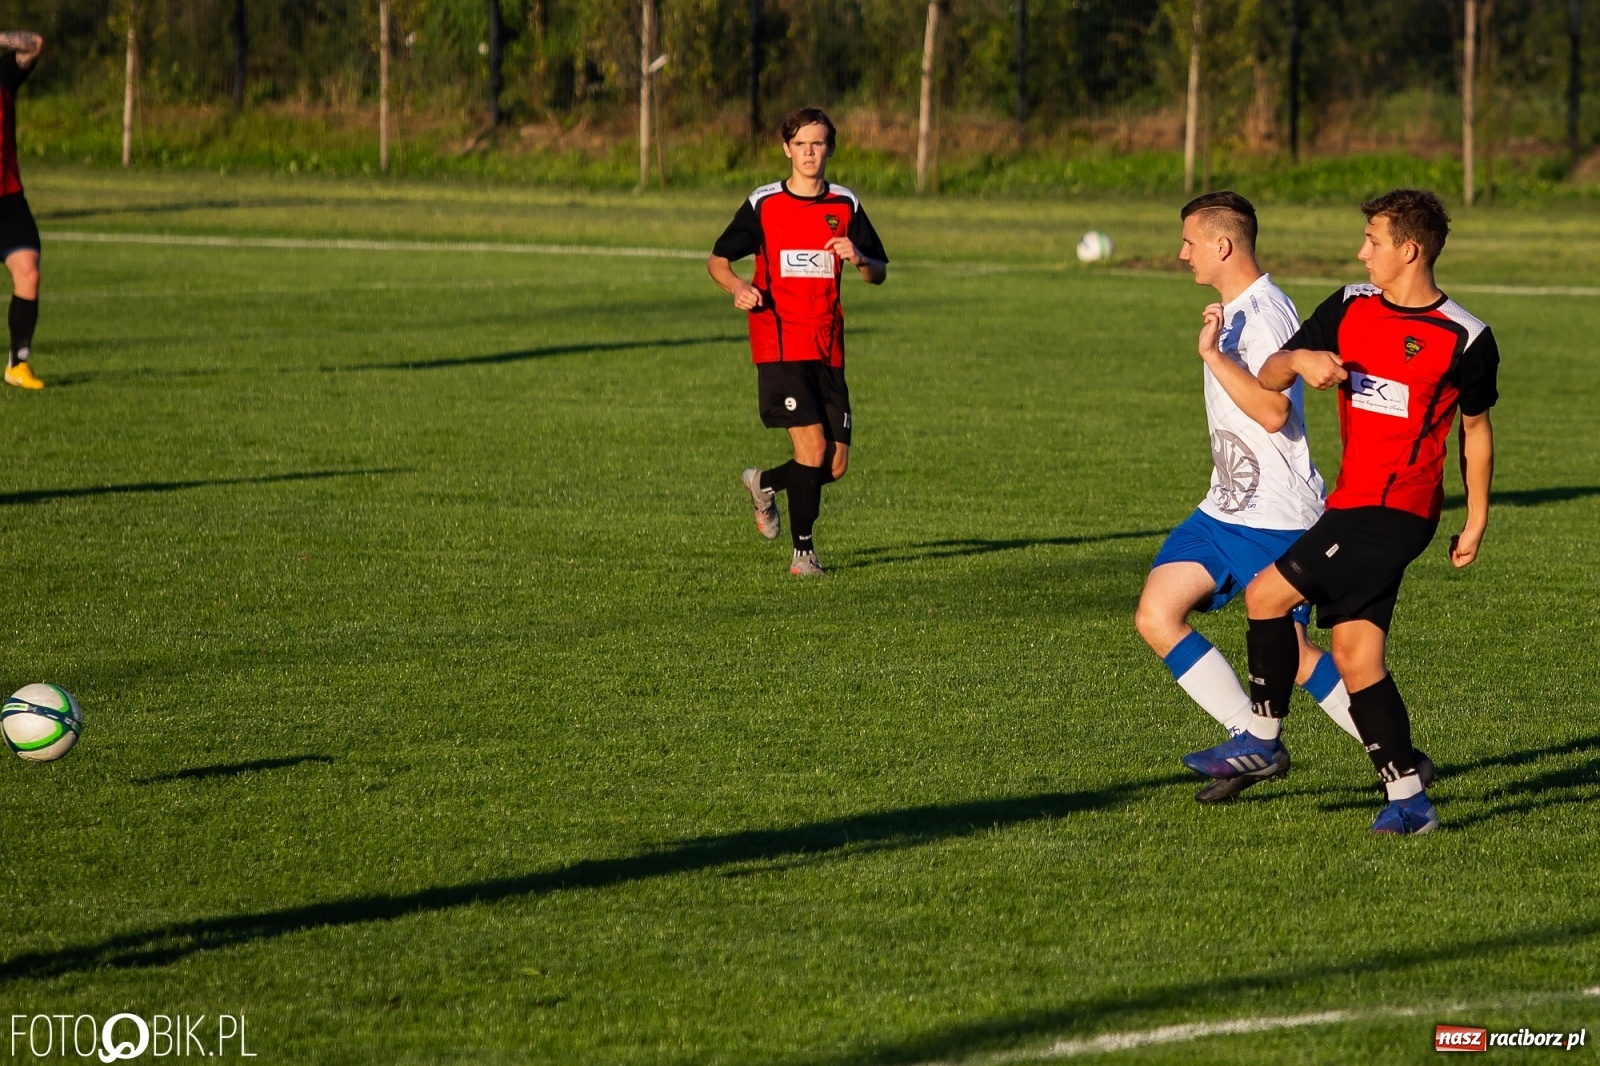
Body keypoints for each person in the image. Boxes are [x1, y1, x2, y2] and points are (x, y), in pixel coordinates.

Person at [1137, 192, 1431, 804]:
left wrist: (1212, 357)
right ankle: (1247, 738)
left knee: (1295, 656)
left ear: (1223, 245)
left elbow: (1273, 411)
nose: (1182, 253)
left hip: (1274, 515)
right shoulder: (1231, 306)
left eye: (1190, 241)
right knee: (1156, 614)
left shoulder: (1267, 313)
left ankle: (1407, 766)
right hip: (1223, 507)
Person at [1236, 188, 1498, 835]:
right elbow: (1270, 375)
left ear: (1409, 251)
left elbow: (1476, 430)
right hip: (1351, 502)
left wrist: (1477, 518)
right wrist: (1299, 357)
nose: (1362, 252)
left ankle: (1263, 740)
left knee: (1266, 595)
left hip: (1397, 512)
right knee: (1357, 658)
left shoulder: (1464, 337)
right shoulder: (1349, 306)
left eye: (1373, 241)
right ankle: (1409, 798)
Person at [707, 107, 888, 576]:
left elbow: (878, 273)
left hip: (828, 346)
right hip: (780, 342)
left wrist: (859, 256)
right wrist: (739, 287)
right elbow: (717, 261)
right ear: (786, 148)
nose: (810, 152)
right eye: (801, 144)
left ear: (830, 147)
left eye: (819, 143)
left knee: (834, 465)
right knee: (811, 451)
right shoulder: (764, 204)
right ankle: (803, 555)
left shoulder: (844, 205)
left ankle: (763, 482)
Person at [0, 29, 44, 389]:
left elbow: (34, 44)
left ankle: (18, 364)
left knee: (28, 272)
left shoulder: (4, 75)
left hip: (8, 200)